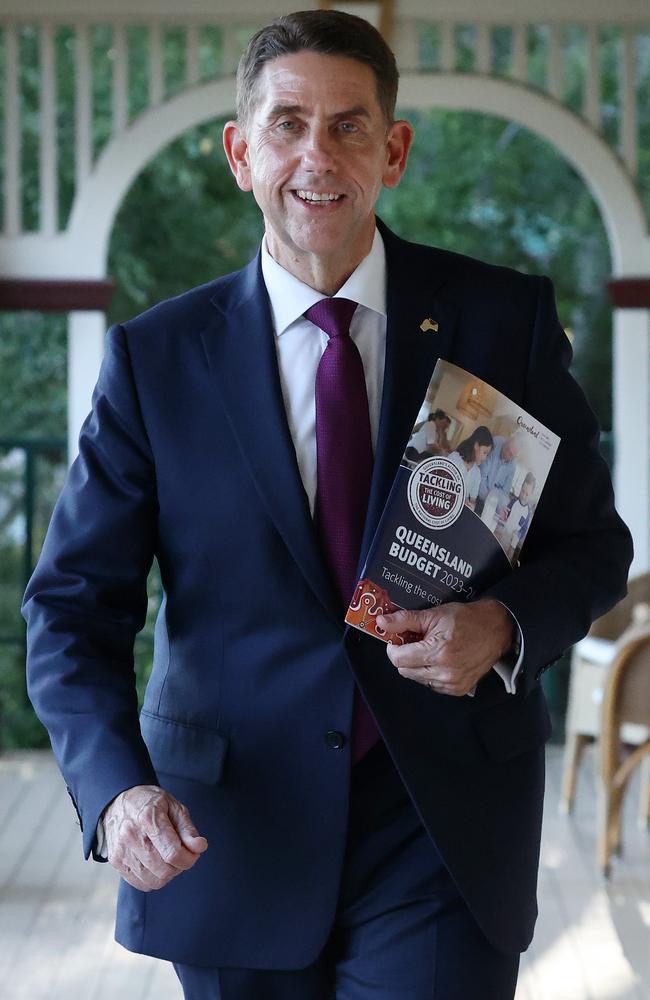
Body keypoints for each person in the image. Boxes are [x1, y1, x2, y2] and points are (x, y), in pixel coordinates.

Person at [22, 10, 632, 1000]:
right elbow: (70, 608)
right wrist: (114, 788)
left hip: (439, 815)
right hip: (227, 823)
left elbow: (590, 543)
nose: (319, 153)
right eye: (288, 124)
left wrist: (503, 622)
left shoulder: (497, 322)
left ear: (391, 151)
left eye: (349, 125)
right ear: (239, 152)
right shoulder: (156, 361)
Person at [447, 425, 493, 510]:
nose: (485, 458)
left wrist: (471, 506)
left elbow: (472, 500)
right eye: (484, 452)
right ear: (476, 445)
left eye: (487, 454)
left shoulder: (477, 473)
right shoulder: (454, 459)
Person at [476, 430, 523, 515]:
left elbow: (505, 493)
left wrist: (500, 505)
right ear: (507, 440)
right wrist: (490, 500)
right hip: (477, 494)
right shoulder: (495, 443)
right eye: (507, 449)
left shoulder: (512, 465)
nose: (507, 454)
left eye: (511, 455)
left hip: (491, 504)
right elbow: (481, 476)